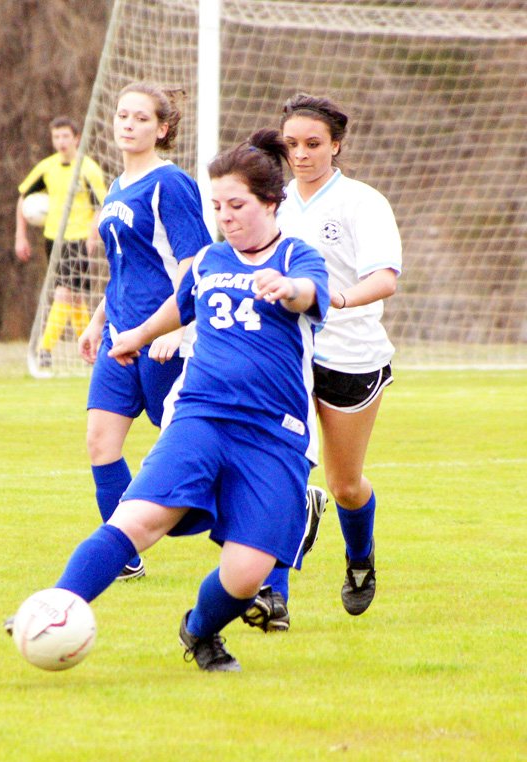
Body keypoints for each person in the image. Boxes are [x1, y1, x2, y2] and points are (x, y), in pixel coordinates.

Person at [6, 129, 331, 672]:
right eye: (218, 206)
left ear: (271, 202)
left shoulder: (299, 256)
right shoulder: (208, 261)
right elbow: (179, 309)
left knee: (246, 574)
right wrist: (131, 335)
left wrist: (288, 288)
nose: (225, 217)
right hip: (201, 416)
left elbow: (311, 292)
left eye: (238, 205)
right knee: (137, 520)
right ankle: (55, 604)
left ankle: (200, 630)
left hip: (274, 433)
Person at [243, 92, 402, 631]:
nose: (302, 154)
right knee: (285, 467)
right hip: (289, 352)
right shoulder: (274, 202)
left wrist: (338, 297)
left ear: (336, 144)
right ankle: (273, 595)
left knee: (346, 485)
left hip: (352, 354)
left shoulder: (362, 202)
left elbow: (385, 279)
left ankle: (360, 560)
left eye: (313, 144)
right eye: (292, 145)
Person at [77, 82, 212, 580]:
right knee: (100, 442)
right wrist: (97, 321)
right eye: (122, 115)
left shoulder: (170, 184)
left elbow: (193, 262)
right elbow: (125, 268)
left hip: (162, 342)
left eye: (140, 118)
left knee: (193, 450)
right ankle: (123, 556)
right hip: (120, 338)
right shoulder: (115, 188)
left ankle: (273, 516)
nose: (128, 124)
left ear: (162, 128)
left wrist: (175, 329)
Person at [15, 116, 107, 369]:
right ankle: (86, 349)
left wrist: (92, 236)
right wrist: (20, 235)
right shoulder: (47, 168)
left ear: (76, 138)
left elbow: (101, 205)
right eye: (56, 137)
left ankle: (46, 349)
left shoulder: (88, 169)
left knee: (68, 295)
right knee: (71, 296)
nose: (61, 141)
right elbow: (23, 199)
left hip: (79, 239)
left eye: (66, 136)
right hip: (54, 240)